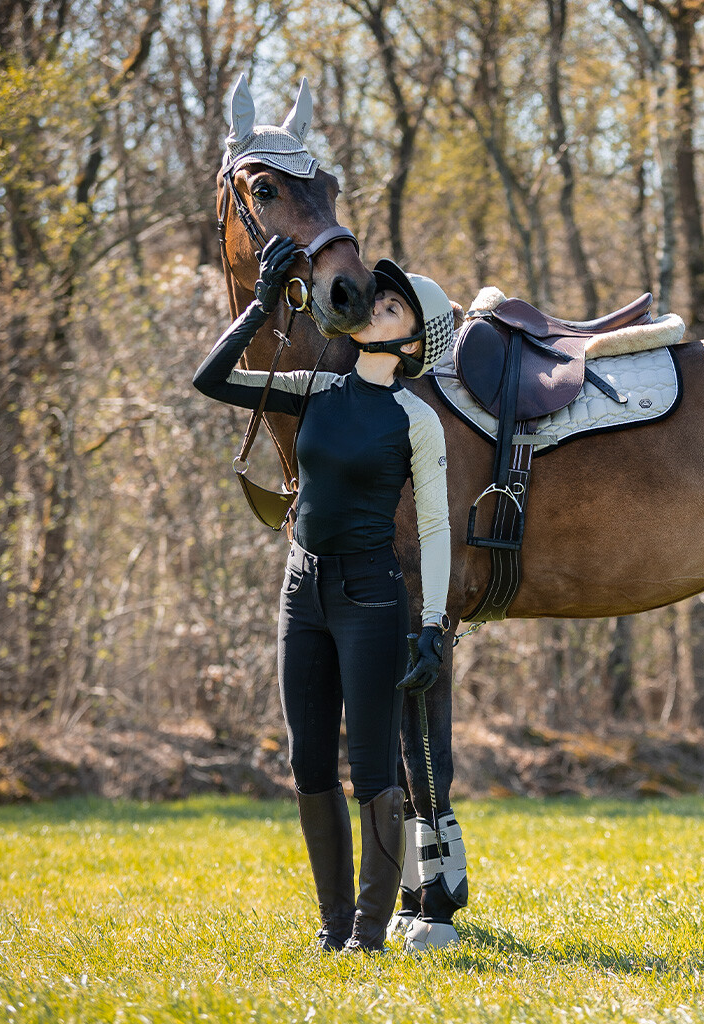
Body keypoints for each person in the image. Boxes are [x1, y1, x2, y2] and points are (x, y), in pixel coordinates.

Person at [193, 236, 455, 953]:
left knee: (372, 767)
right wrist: (259, 304)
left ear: (411, 343)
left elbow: (433, 525)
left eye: (393, 303)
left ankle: (369, 933)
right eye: (380, 294)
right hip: (301, 588)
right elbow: (211, 380)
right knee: (308, 763)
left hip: (372, 597)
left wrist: (434, 626)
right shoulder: (316, 387)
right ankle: (333, 925)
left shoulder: (417, 419)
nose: (377, 302)